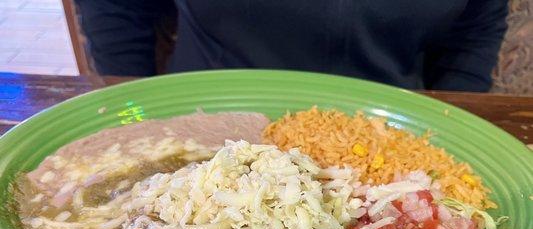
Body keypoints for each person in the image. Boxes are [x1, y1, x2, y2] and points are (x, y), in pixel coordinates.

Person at [74, 0, 508, 92]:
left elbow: (475, 26)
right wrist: (133, 108)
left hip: (389, 130)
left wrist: (453, 115)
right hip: (201, 118)